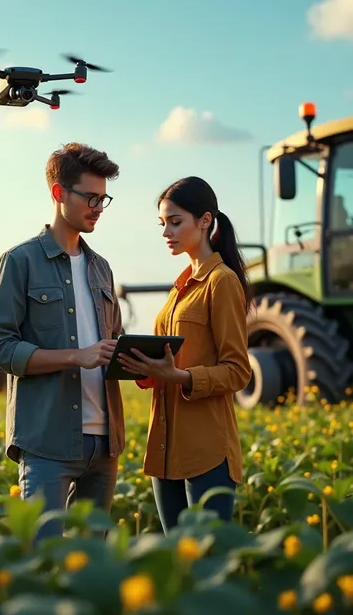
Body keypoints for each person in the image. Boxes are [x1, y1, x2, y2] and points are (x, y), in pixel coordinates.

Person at [0, 142, 125, 540]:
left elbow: (109, 343)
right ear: (58, 193)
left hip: (104, 443)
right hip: (47, 441)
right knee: (40, 564)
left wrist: (141, 360)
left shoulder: (102, 268)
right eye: (90, 197)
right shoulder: (19, 261)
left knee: (90, 567)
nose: (98, 206)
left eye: (103, 198)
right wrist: (74, 357)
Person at [118, 176, 252, 533]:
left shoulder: (221, 282)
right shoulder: (179, 288)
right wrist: (145, 369)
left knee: (205, 566)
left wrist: (181, 377)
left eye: (175, 222)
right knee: (176, 567)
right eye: (163, 224)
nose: (166, 232)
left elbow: (239, 371)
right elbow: (172, 358)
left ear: (205, 221)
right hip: (164, 448)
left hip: (206, 449)